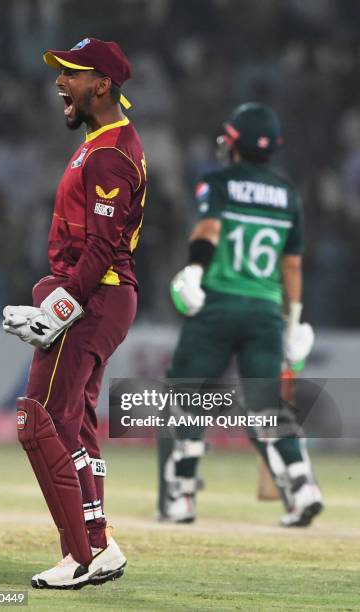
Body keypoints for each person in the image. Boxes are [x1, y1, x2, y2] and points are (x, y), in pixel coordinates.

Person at [2, 37, 146, 589]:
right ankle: (98, 544)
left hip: (94, 296)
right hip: (96, 298)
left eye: (72, 73)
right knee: (74, 426)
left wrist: (58, 310)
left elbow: (104, 247)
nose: (61, 81)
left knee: (38, 420)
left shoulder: (109, 152)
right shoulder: (105, 142)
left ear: (103, 84)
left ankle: (81, 555)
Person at [157, 102, 323, 528]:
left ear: (234, 142)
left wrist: (194, 269)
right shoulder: (288, 194)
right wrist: (294, 320)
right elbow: (291, 266)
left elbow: (209, 231)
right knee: (266, 405)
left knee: (185, 395)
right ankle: (303, 486)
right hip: (266, 310)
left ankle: (182, 495)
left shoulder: (220, 182)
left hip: (219, 304)